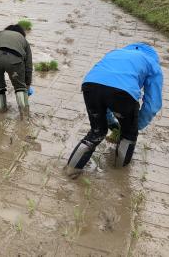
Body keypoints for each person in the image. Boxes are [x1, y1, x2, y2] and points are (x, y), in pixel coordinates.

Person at [66, 43, 163, 177]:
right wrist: (135, 126)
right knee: (128, 136)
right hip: (123, 93)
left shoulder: (114, 53)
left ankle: (71, 170)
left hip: (90, 85)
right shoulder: (152, 63)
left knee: (97, 132)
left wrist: (111, 122)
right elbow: (153, 104)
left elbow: (105, 89)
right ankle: (119, 178)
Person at [0, 24, 33, 117]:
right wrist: (27, 85)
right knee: (20, 87)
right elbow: (28, 65)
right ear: (21, 33)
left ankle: (1, 111)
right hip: (14, 61)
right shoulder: (23, 40)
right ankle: (24, 117)